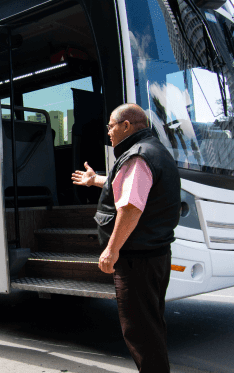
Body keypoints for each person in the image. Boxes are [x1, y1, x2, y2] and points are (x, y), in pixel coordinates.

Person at [72, 103, 180, 373]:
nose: (108, 131)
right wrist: (95, 180)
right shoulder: (153, 151)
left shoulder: (138, 155)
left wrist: (111, 249)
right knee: (151, 325)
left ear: (126, 126)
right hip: (155, 254)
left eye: (111, 125)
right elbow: (130, 184)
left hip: (137, 259)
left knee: (140, 331)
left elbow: (131, 207)